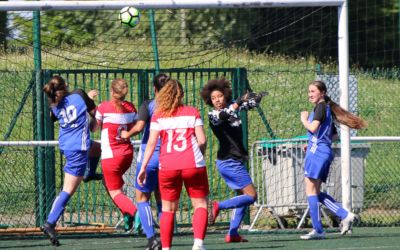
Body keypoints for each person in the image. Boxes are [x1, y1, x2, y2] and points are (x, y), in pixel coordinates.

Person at [137, 79, 209, 250]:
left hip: (168, 165)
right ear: (182, 94)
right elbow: (202, 140)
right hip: (193, 163)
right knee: (200, 204)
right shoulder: (192, 112)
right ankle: (198, 244)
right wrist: (200, 155)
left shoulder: (158, 115)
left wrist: (143, 167)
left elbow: (152, 142)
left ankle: (167, 248)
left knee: (168, 209)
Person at [299, 80, 367, 240]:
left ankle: (318, 230)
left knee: (310, 191)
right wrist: (312, 142)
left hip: (317, 153)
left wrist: (304, 119)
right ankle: (344, 215)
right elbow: (332, 135)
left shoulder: (321, 107)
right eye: (309, 91)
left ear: (322, 93)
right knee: (314, 191)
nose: (310, 94)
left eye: (313, 91)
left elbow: (313, 127)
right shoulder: (326, 109)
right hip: (322, 151)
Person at [200, 78, 265, 243]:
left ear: (225, 96)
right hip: (228, 161)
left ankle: (233, 233)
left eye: (220, 96)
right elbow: (224, 115)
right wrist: (238, 101)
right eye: (214, 98)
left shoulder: (232, 108)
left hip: (233, 160)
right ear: (210, 100)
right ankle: (217, 206)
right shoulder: (213, 114)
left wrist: (256, 98)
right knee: (251, 196)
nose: (217, 100)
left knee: (242, 196)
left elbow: (248, 105)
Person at [41, 75, 98, 246]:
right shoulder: (80, 95)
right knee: (67, 190)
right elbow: (94, 115)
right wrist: (91, 102)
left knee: (96, 148)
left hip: (67, 144)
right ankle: (50, 223)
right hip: (78, 149)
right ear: (65, 86)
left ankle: (90, 173)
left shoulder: (54, 105)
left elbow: (60, 112)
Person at [120, 73, 169, 250]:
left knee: (142, 197)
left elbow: (139, 127)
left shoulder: (149, 104)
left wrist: (126, 134)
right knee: (162, 200)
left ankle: (151, 238)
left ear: (155, 89)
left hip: (149, 158)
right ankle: (165, 240)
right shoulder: (177, 106)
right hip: (169, 158)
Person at [93, 78, 140, 239]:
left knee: (114, 191)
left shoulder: (103, 108)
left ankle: (137, 214)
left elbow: (93, 128)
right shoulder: (131, 107)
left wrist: (90, 108)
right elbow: (135, 127)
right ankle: (127, 215)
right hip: (127, 153)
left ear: (112, 92)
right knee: (111, 185)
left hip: (111, 156)